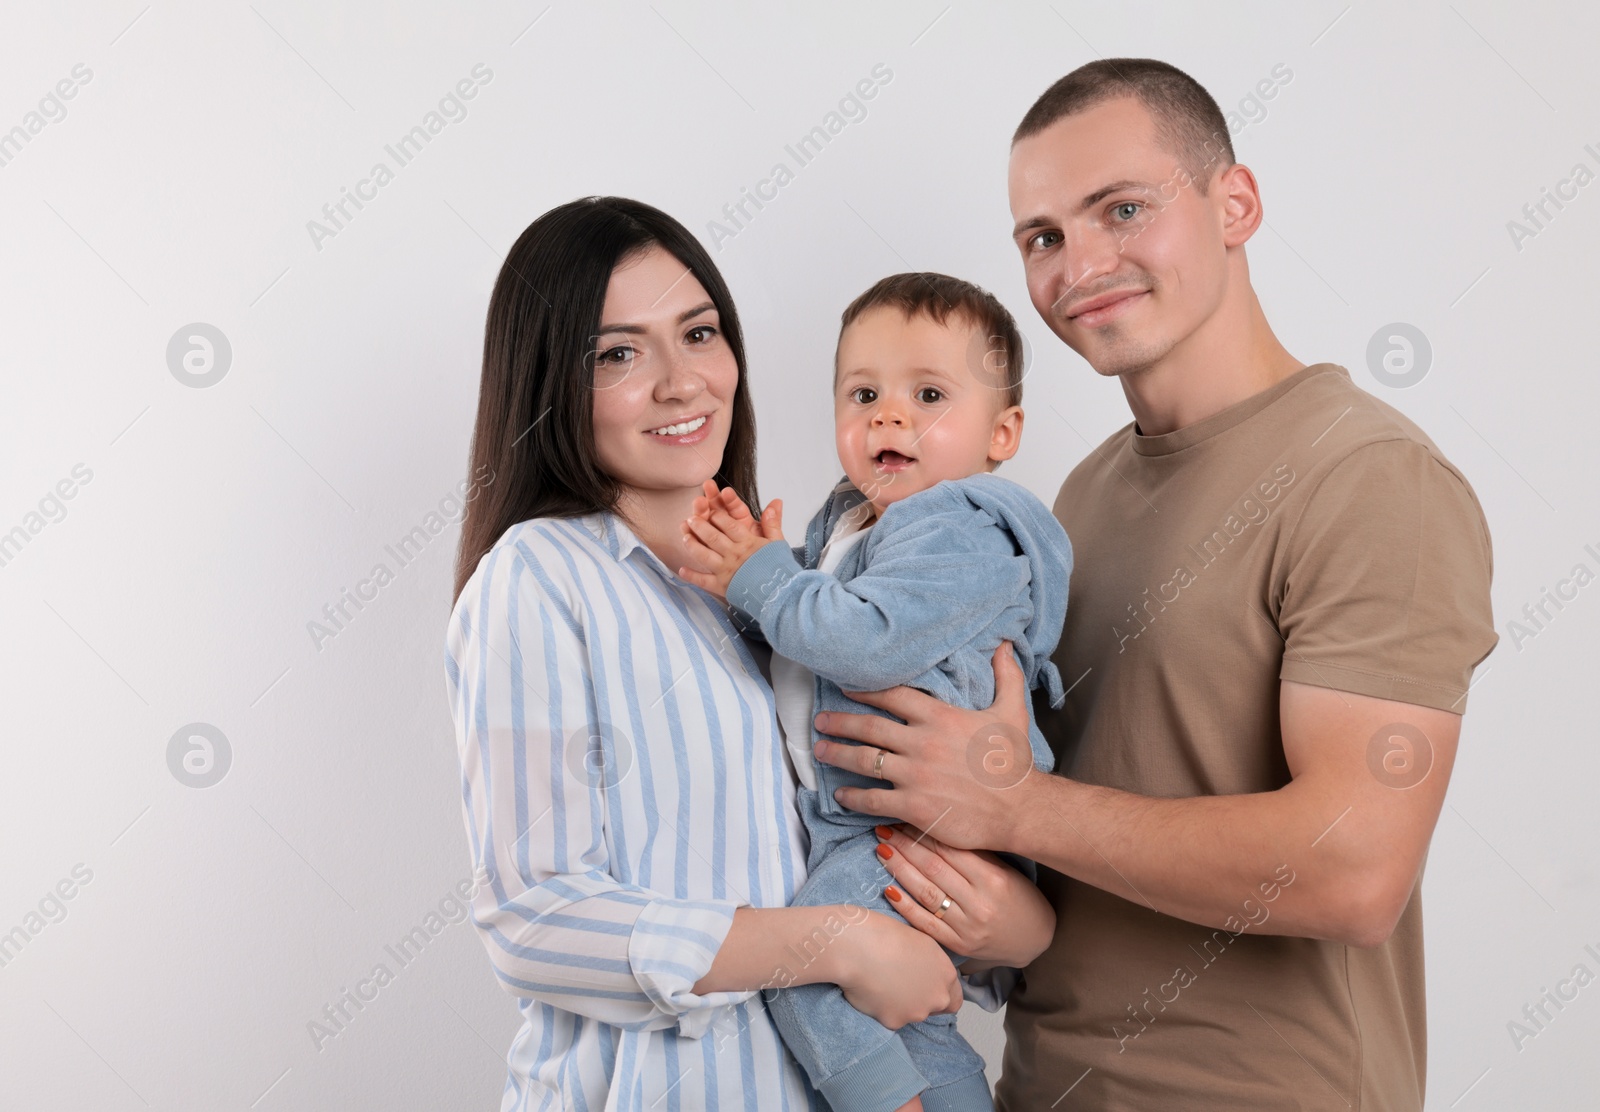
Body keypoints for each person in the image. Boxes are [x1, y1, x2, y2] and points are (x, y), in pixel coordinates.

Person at [809, 60, 1498, 1111]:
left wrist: (1014, 803)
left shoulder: (1367, 476)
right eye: (1041, 237)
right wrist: (1000, 909)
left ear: (1235, 204)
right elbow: (1068, 825)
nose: (1079, 264)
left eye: (1121, 209)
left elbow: (1355, 870)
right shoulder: (1071, 502)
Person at [443, 196, 1052, 1110]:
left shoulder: (789, 591)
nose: (681, 381)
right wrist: (835, 944)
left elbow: (906, 899)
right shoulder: (541, 578)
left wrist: (1021, 920)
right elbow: (537, 920)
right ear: (551, 386)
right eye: (617, 353)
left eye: (698, 333)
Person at [677, 272, 1069, 1112]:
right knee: (909, 1021)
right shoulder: (851, 522)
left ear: (1003, 432)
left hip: (918, 831)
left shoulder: (960, 527)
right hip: (867, 829)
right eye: (864, 393)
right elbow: (802, 661)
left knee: (806, 966)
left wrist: (765, 583)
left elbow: (865, 640)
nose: (889, 415)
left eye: (928, 393)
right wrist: (741, 595)